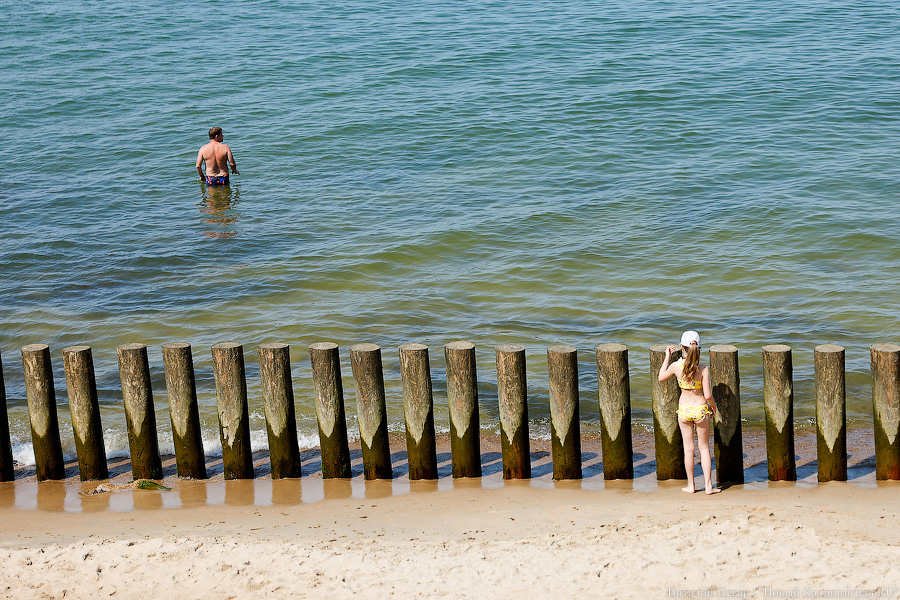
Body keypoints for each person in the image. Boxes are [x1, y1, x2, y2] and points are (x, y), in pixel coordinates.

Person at [657, 330, 720, 495]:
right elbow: (707, 395)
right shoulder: (703, 369)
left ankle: (691, 485)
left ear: (681, 347)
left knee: (688, 449)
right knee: (704, 448)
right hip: (700, 410)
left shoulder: (676, 366)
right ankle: (708, 486)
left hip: (684, 411)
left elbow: (661, 377)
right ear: (698, 348)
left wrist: (667, 357)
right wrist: (713, 406)